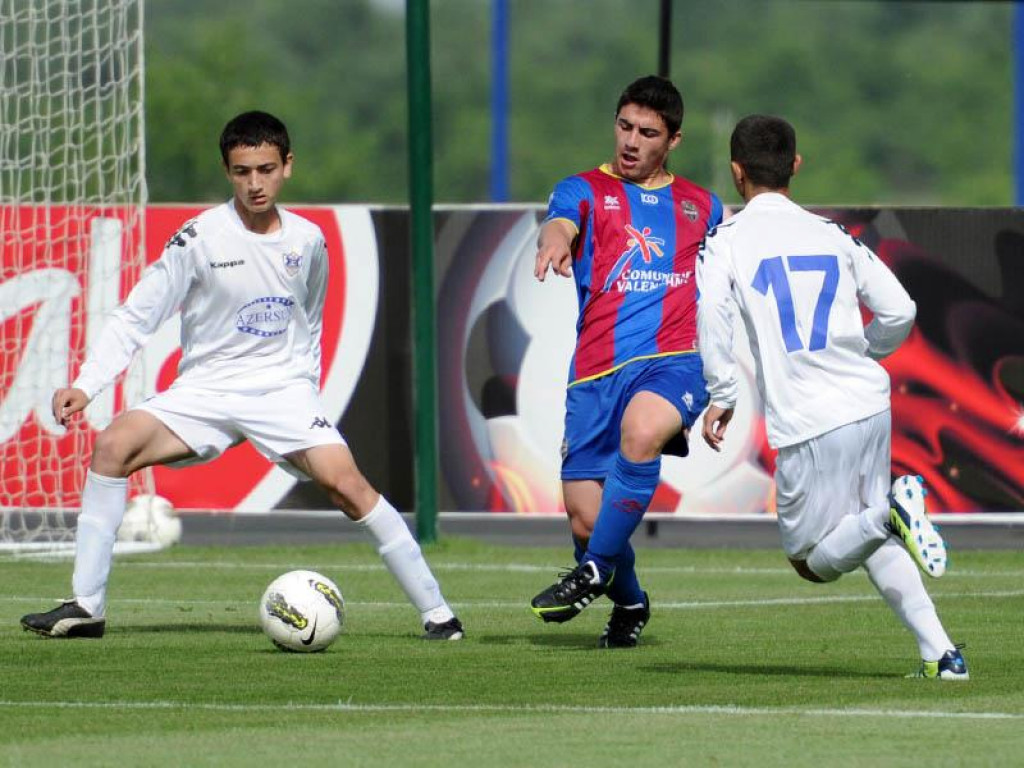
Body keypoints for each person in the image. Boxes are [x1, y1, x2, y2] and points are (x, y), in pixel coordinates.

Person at [20, 111, 464, 641]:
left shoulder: (309, 240)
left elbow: (310, 321)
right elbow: (137, 315)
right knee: (113, 445)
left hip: (282, 392)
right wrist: (86, 383)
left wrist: (301, 391)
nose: (255, 183)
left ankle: (439, 614)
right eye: (242, 171)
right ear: (228, 172)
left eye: (266, 169)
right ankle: (86, 607)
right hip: (205, 390)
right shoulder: (198, 238)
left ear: (287, 166)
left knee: (348, 487)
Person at [696, 114, 966, 679]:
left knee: (811, 562)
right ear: (795, 166)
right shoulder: (833, 234)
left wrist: (722, 393)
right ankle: (941, 655)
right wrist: (866, 351)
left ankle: (892, 514)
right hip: (868, 403)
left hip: (809, 418)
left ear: (736, 171)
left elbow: (711, 317)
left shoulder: (725, 241)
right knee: (864, 530)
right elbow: (901, 310)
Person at [529, 76, 723, 647]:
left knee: (642, 433)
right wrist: (554, 239)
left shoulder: (704, 207)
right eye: (624, 127)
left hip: (674, 361)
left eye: (648, 133)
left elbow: (728, 295)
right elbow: (560, 221)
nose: (631, 141)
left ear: (674, 140)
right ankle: (630, 600)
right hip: (594, 373)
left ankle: (591, 572)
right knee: (586, 522)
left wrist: (729, 386)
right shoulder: (583, 190)